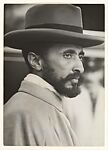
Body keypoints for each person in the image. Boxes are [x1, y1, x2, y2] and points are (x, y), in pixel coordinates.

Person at [4, 4, 104, 146]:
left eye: (80, 56)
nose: (80, 68)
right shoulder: (21, 115)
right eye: (68, 55)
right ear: (36, 61)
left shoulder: (49, 107)